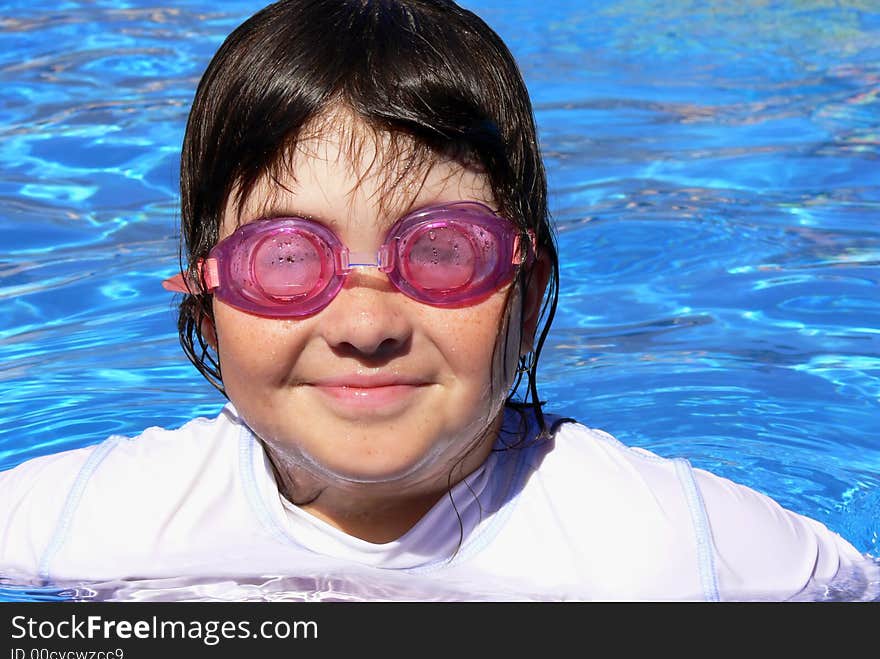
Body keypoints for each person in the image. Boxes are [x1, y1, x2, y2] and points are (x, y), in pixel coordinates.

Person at [0, 0, 874, 601]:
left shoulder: (682, 550)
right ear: (206, 309)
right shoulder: (77, 522)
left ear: (527, 296)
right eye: (288, 259)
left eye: (443, 253)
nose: (367, 325)